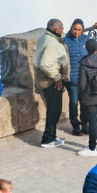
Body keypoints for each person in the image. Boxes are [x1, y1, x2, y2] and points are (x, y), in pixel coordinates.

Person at [34, 20, 68, 148]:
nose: (63, 29)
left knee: (54, 109)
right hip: (50, 81)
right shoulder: (52, 43)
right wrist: (57, 77)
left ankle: (52, 136)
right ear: (55, 29)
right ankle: (47, 139)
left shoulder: (44, 37)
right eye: (61, 28)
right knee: (54, 110)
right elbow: (45, 64)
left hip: (46, 79)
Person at [63, 19, 90, 137]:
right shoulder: (65, 41)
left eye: (79, 30)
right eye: (75, 29)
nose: (76, 32)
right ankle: (75, 125)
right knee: (74, 102)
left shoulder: (86, 39)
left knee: (84, 102)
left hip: (85, 77)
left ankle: (85, 123)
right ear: (71, 28)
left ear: (82, 30)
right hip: (71, 78)